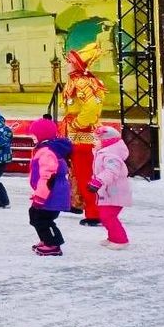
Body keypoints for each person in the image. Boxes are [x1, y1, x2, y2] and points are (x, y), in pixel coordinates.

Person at [60, 43, 106, 226]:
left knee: (85, 172)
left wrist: (79, 123)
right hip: (74, 132)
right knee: (75, 170)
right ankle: (77, 202)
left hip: (82, 134)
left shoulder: (83, 82)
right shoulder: (76, 80)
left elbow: (93, 106)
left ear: (76, 64)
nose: (66, 65)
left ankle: (94, 213)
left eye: (68, 62)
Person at [26, 117, 72, 257]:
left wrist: (40, 196)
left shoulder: (46, 152)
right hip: (49, 193)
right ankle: (46, 239)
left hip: (51, 194)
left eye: (34, 135)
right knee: (35, 216)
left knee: (42, 218)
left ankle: (53, 244)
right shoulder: (45, 149)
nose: (32, 138)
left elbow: (47, 176)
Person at [89, 126, 132, 250]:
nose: (94, 142)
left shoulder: (111, 156)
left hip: (115, 191)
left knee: (108, 216)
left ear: (106, 141)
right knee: (105, 215)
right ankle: (113, 237)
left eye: (97, 140)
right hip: (109, 190)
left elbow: (111, 171)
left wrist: (98, 181)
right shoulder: (104, 153)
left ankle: (120, 240)